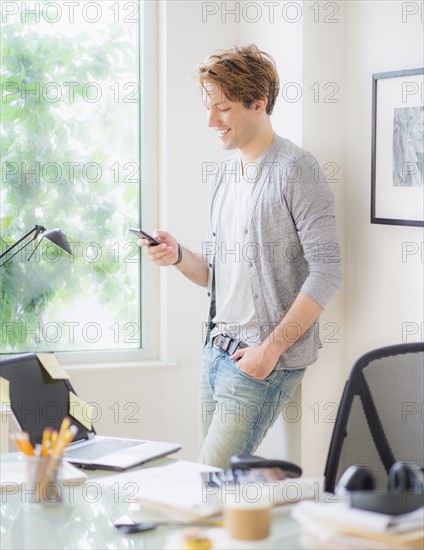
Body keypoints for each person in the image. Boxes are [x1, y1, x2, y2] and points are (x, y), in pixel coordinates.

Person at [138, 44, 343, 468]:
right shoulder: (225, 175)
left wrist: (268, 352)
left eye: (224, 109)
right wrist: (178, 256)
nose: (211, 121)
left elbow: (327, 272)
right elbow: (214, 274)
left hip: (259, 362)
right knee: (213, 484)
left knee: (208, 483)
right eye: (209, 107)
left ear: (258, 104)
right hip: (217, 351)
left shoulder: (296, 171)